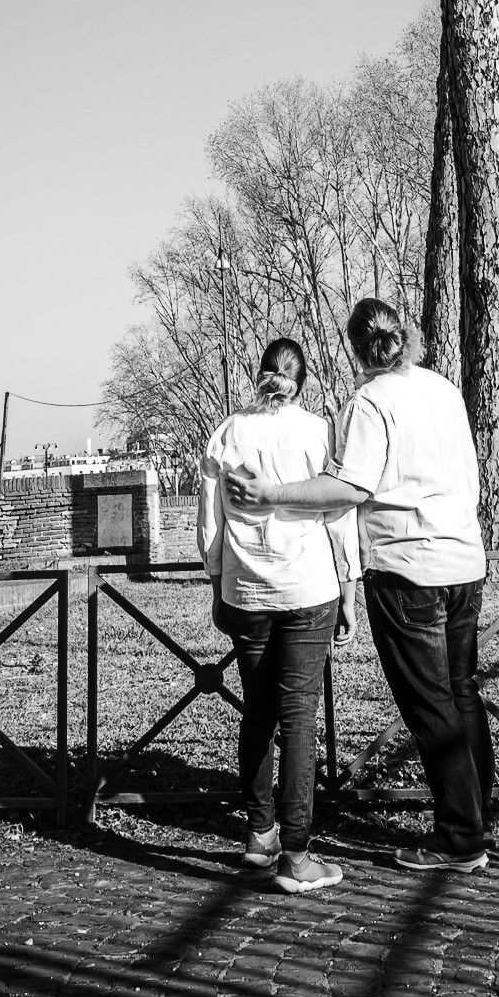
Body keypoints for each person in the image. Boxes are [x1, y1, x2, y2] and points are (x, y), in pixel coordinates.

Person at [226, 296, 493, 874]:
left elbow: (349, 488)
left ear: (356, 348)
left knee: (432, 705)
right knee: (462, 692)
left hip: (409, 569)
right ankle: (476, 817)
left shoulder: (369, 403)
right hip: (465, 561)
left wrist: (272, 494)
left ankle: (460, 839)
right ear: (406, 337)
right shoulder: (444, 389)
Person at [197, 337, 359, 896]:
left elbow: (210, 524)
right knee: (298, 717)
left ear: (259, 374)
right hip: (308, 588)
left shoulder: (227, 433)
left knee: (258, 711)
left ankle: (259, 833)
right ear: (301, 382)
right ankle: (297, 855)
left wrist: (218, 584)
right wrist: (349, 587)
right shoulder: (318, 433)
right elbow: (338, 515)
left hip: (246, 591)